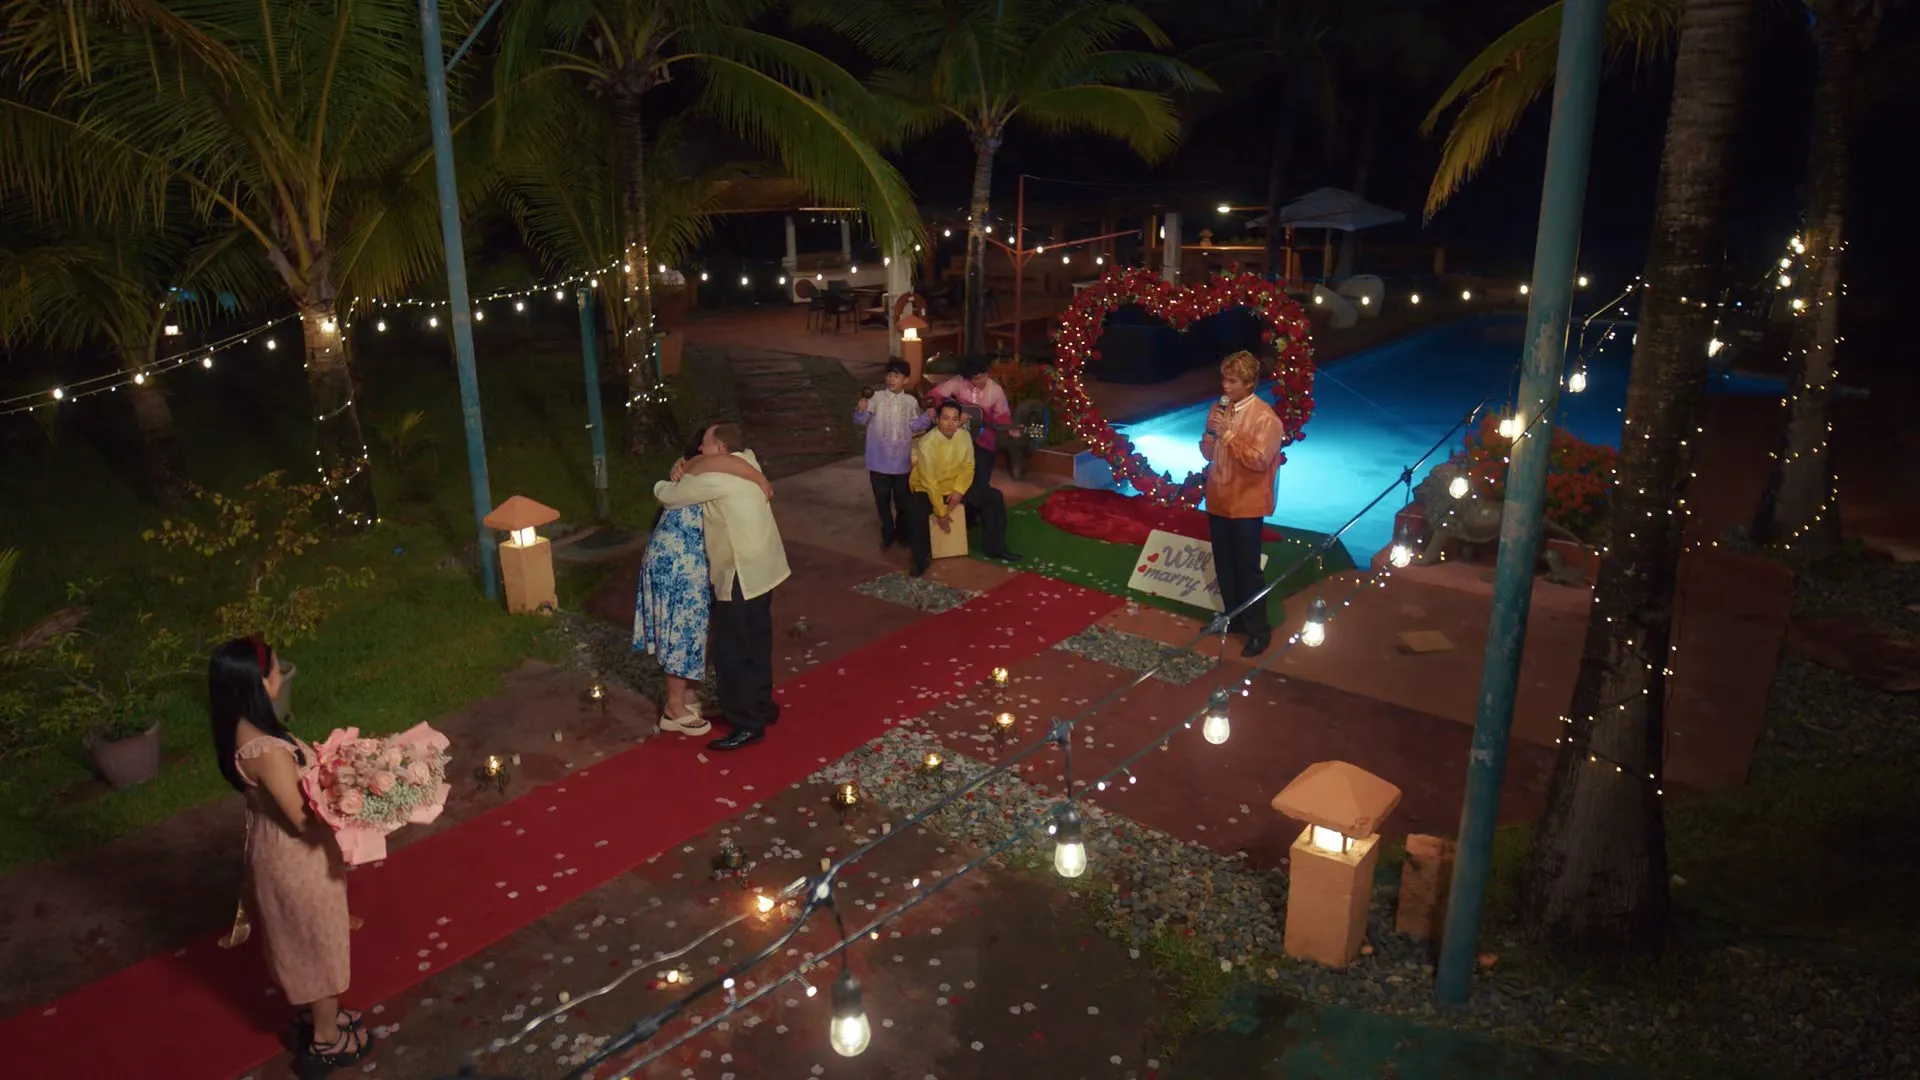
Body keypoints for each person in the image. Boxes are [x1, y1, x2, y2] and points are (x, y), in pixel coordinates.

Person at [208, 637, 371, 1074]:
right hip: (297, 857)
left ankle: (323, 1015)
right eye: (276, 669)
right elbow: (301, 819)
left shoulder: (243, 728)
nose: (281, 675)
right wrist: (357, 804)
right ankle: (326, 1037)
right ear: (259, 682)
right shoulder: (268, 751)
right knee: (319, 942)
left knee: (306, 935)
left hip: (277, 846)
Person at [655, 423, 790, 751]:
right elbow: (719, 462)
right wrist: (687, 463)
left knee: (731, 653)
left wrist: (677, 472)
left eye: (705, 445)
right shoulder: (749, 460)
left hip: (740, 573)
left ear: (720, 449)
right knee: (757, 642)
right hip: (764, 568)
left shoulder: (714, 480)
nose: (700, 450)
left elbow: (667, 495)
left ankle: (746, 723)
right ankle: (761, 706)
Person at [1200, 350, 1286, 657]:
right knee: (1224, 564)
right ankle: (1233, 618)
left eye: (1232, 381)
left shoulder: (1266, 418)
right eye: (1224, 379)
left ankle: (1259, 630)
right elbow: (1207, 454)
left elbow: (1259, 461)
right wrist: (1211, 434)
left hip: (1247, 503)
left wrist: (1228, 434)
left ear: (1249, 383)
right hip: (1219, 498)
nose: (1225, 386)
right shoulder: (1218, 409)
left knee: (1248, 569)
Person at [906, 400, 1021, 576]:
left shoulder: (964, 436)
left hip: (956, 485)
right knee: (916, 510)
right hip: (929, 488)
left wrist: (959, 492)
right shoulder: (926, 443)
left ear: (960, 420)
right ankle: (920, 560)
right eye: (945, 418)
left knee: (993, 497)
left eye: (955, 419)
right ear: (937, 420)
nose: (950, 423)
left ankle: (994, 548)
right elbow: (930, 482)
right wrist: (941, 513)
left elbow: (968, 467)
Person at [853, 358, 932, 549]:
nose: (891, 379)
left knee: (903, 501)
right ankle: (887, 532)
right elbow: (860, 421)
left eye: (896, 376)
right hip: (878, 460)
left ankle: (902, 532)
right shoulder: (876, 398)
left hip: (901, 462)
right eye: (889, 375)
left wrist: (927, 418)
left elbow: (915, 426)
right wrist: (860, 410)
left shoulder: (910, 401)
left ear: (906, 380)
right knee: (882, 500)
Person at [928, 355, 1012, 495]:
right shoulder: (958, 382)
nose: (981, 380)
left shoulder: (995, 391)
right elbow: (935, 394)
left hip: (984, 442)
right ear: (967, 377)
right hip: (958, 440)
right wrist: (932, 407)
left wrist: (1010, 428)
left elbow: (1002, 416)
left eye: (984, 375)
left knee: (980, 482)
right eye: (976, 378)